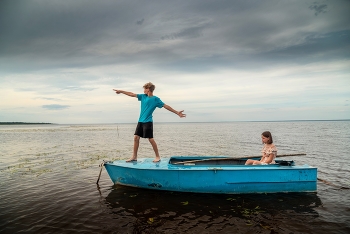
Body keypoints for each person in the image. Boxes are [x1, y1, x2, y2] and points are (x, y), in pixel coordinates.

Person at [113, 82, 186, 162]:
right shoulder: (143, 97)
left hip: (148, 121)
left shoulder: (155, 99)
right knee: (136, 137)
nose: (144, 90)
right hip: (140, 121)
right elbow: (131, 94)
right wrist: (121, 91)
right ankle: (134, 156)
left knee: (150, 139)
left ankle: (157, 156)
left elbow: (166, 106)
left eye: (145, 88)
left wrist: (176, 112)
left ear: (148, 89)